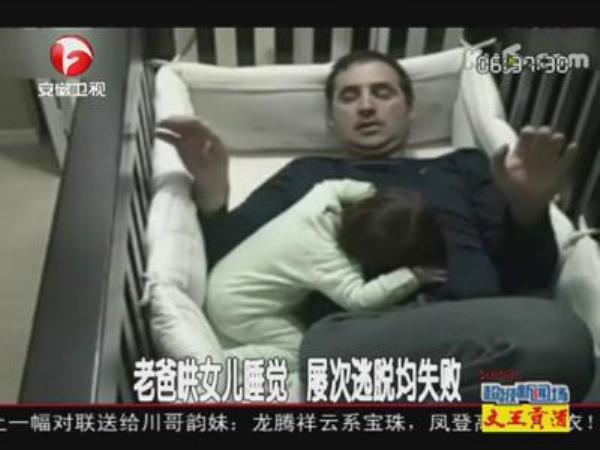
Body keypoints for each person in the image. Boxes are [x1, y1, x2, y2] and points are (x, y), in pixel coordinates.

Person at [155, 50, 595, 401]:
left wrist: (528, 206)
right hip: (357, 344)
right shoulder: (309, 175)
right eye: (349, 97)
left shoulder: (463, 167)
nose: (366, 106)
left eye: (382, 92)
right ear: (331, 118)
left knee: (562, 375)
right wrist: (213, 191)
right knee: (560, 347)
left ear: (409, 107)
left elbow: (526, 277)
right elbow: (230, 262)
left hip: (483, 337)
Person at [205, 181, 448, 374]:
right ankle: (217, 364)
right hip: (238, 310)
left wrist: (373, 194)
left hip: (224, 279)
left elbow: (336, 185)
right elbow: (359, 300)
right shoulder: (326, 258)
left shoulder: (322, 198)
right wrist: (412, 276)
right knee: (298, 350)